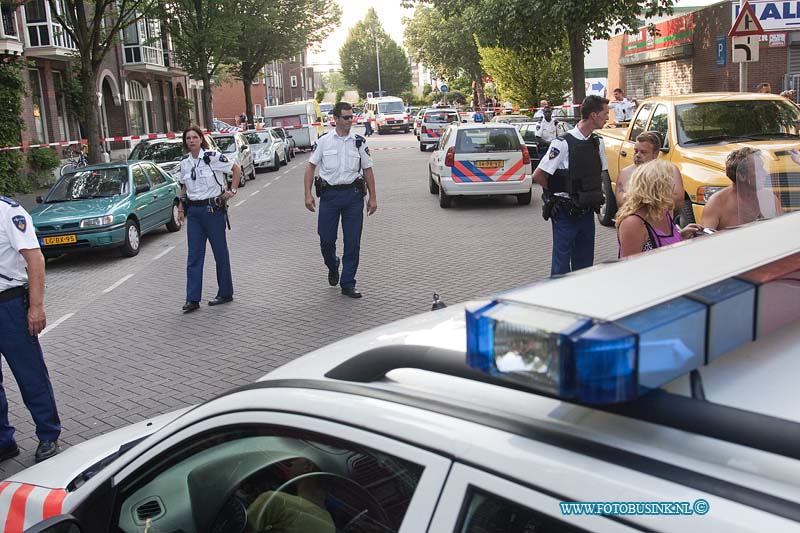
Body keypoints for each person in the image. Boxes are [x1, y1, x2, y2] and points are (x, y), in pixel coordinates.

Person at [0, 196, 61, 463]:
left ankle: (48, 434)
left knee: (29, 374)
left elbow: (35, 259)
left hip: (9, 306)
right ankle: (4, 441)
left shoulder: (8, 212)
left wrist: (35, 307)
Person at [304, 102, 377, 299]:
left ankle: (348, 283)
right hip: (329, 197)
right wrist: (308, 194)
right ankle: (332, 264)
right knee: (326, 239)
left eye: (351, 117)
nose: (349, 121)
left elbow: (368, 169)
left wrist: (373, 198)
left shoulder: (359, 142)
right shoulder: (324, 141)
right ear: (335, 119)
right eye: (345, 117)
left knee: (352, 241)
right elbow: (311, 167)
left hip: (353, 196)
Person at [533, 95, 609, 276]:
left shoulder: (597, 143)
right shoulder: (562, 143)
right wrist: (554, 195)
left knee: (585, 266)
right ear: (593, 115)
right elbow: (539, 175)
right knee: (561, 266)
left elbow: (602, 173)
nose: (607, 118)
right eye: (605, 114)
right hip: (565, 213)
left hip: (587, 211)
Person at [176, 125, 242, 313]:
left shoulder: (212, 157)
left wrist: (232, 191)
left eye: (194, 137)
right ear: (185, 142)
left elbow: (236, 169)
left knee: (219, 252)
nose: (191, 141)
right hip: (195, 213)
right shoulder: (184, 163)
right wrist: (181, 207)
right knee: (194, 256)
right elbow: (184, 187)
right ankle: (192, 298)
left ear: (200, 139)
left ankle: (225, 292)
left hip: (213, 210)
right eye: (188, 138)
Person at [617, 160, 703, 258]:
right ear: (659, 189)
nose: (674, 188)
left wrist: (681, 236)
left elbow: (662, 244)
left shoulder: (662, 211)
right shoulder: (633, 223)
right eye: (670, 183)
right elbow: (629, 268)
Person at [701, 147, 782, 231]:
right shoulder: (717, 203)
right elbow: (705, 239)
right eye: (758, 169)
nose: (765, 173)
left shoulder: (769, 198)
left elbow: (782, 229)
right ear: (741, 176)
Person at [246, 458, 335, 532]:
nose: (292, 462)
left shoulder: (275, 500)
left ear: (308, 466)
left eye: (297, 458)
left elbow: (240, 528)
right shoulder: (330, 525)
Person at [615, 131, 684, 210]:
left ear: (656, 153)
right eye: (636, 151)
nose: (637, 155)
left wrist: (638, 198)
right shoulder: (625, 173)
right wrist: (656, 198)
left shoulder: (670, 170)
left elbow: (678, 200)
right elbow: (621, 202)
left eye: (643, 152)